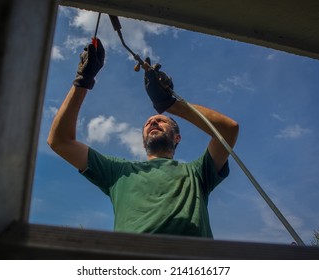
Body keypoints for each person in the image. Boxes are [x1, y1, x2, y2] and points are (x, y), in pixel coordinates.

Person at [48, 39, 239, 238]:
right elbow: (60, 142)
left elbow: (229, 130)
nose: (153, 123)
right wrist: (83, 80)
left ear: (177, 138)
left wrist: (170, 104)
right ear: (142, 140)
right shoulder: (118, 172)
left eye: (161, 121)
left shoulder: (198, 173)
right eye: (148, 123)